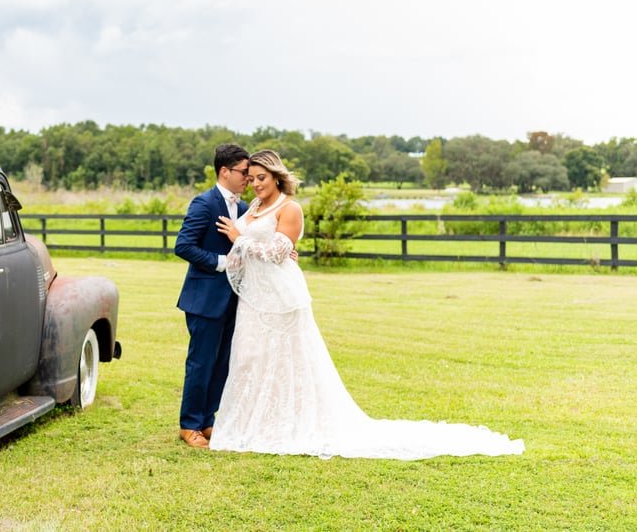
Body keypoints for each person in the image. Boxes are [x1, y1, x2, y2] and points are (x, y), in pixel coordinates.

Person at [209, 149, 524, 459]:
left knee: (285, 360)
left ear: (277, 177)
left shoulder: (290, 208)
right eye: (250, 179)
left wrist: (240, 237)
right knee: (252, 359)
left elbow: (276, 253)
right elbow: (252, 251)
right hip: (254, 299)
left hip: (282, 299)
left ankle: (288, 425)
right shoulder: (253, 207)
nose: (256, 184)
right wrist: (239, 245)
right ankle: (257, 422)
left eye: (262, 178)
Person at [174, 143, 250, 448]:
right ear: (224, 171)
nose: (248, 178)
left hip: (235, 299)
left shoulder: (244, 210)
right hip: (205, 300)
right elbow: (183, 245)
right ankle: (189, 424)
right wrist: (221, 263)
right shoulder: (203, 203)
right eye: (244, 172)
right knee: (201, 363)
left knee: (223, 364)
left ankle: (207, 420)